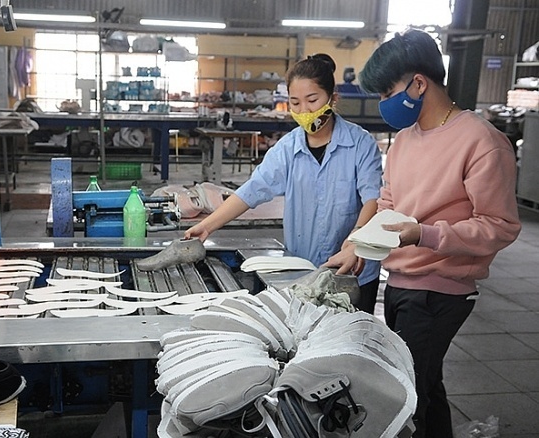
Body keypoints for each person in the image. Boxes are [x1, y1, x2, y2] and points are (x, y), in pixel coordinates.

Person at [358, 29, 521, 438]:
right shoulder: (403, 141)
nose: (383, 103)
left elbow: (499, 225)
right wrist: (357, 244)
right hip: (399, 281)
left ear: (418, 83)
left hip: (440, 291)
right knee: (425, 384)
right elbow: (388, 203)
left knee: (406, 394)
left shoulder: (481, 141)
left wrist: (425, 235)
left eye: (387, 92)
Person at [184, 54, 383, 313]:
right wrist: (207, 226)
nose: (304, 111)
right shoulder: (287, 149)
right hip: (303, 270)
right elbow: (251, 191)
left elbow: (373, 199)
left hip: (353, 273)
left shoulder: (360, 144)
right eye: (295, 103)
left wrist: (356, 240)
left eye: (312, 100)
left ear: (332, 98)